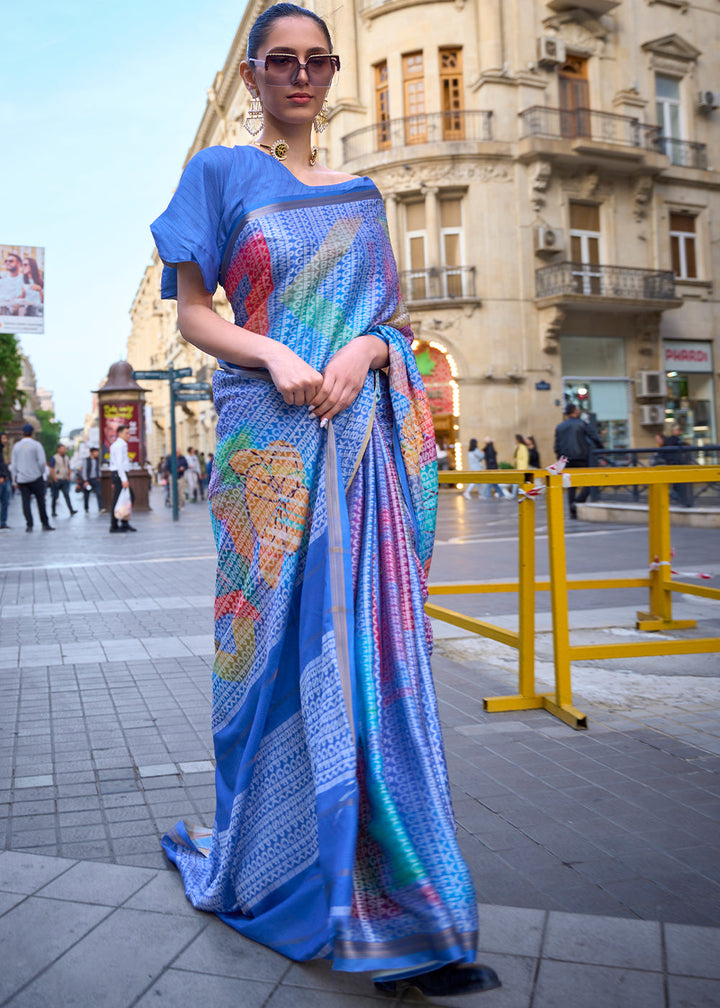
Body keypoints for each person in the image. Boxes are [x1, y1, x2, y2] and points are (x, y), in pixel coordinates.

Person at [150, 3, 499, 998]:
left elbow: (385, 320)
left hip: (360, 459)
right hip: (269, 460)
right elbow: (191, 311)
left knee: (371, 669)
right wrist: (274, 350)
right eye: (280, 62)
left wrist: (367, 348)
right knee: (266, 675)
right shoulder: (220, 177)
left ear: (331, 73)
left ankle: (407, 913)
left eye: (315, 62)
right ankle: (275, 870)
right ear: (254, 77)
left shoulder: (362, 195)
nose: (299, 77)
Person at [553, 403, 603, 519]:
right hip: (581, 457)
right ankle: (578, 501)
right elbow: (594, 437)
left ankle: (572, 510)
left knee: (570, 485)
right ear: (575, 411)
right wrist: (600, 449)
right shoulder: (582, 424)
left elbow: (556, 446)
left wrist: (560, 459)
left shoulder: (560, 426)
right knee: (590, 481)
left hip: (566, 459)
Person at [10, 424, 55, 531]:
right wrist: (41, 472)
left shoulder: (16, 446)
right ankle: (45, 523)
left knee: (25, 502)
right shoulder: (36, 445)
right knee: (41, 501)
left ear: (22, 432)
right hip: (36, 478)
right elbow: (42, 462)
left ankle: (29, 524)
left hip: (22, 479)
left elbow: (13, 465)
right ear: (32, 433)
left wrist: (14, 480)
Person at [109, 424, 136, 532]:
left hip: (120, 474)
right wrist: (123, 479)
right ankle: (114, 525)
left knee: (126, 499)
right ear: (119, 434)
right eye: (126, 433)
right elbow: (119, 463)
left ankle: (124, 522)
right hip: (119, 474)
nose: (128, 435)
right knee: (119, 500)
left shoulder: (122, 445)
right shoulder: (119, 445)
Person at [49, 444, 78, 517]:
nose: (64, 450)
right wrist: (54, 478)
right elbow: (51, 469)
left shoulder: (66, 457)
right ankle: (53, 511)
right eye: (62, 449)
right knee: (55, 496)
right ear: (58, 449)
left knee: (67, 495)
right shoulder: (54, 458)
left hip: (64, 479)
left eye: (64, 449)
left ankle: (71, 510)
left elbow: (69, 467)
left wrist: (69, 476)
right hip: (57, 479)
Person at [82, 446, 104, 512]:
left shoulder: (97, 460)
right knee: (87, 495)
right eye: (96, 452)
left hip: (96, 479)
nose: (97, 453)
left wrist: (99, 476)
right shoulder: (86, 460)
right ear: (91, 452)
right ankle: (86, 508)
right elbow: (84, 470)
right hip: (88, 480)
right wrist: (85, 480)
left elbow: (99, 469)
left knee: (99, 493)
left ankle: (100, 508)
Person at [0, 431, 11, 529]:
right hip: (1, 479)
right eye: (3, 438)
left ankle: (3, 522)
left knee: (5, 501)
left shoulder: (2, 450)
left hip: (5, 478)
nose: (5, 440)